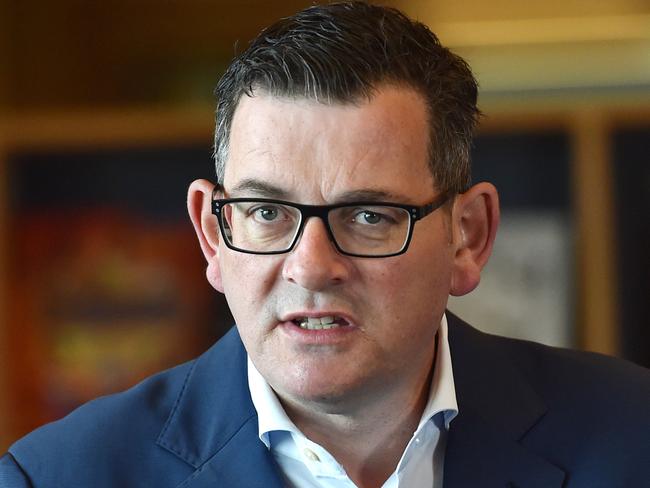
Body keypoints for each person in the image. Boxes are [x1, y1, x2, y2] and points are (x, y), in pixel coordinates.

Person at [2, 2, 649, 487]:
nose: (311, 267)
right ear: (210, 233)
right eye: (264, 212)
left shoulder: (632, 438)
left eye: (369, 216)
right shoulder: (58, 476)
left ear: (468, 237)